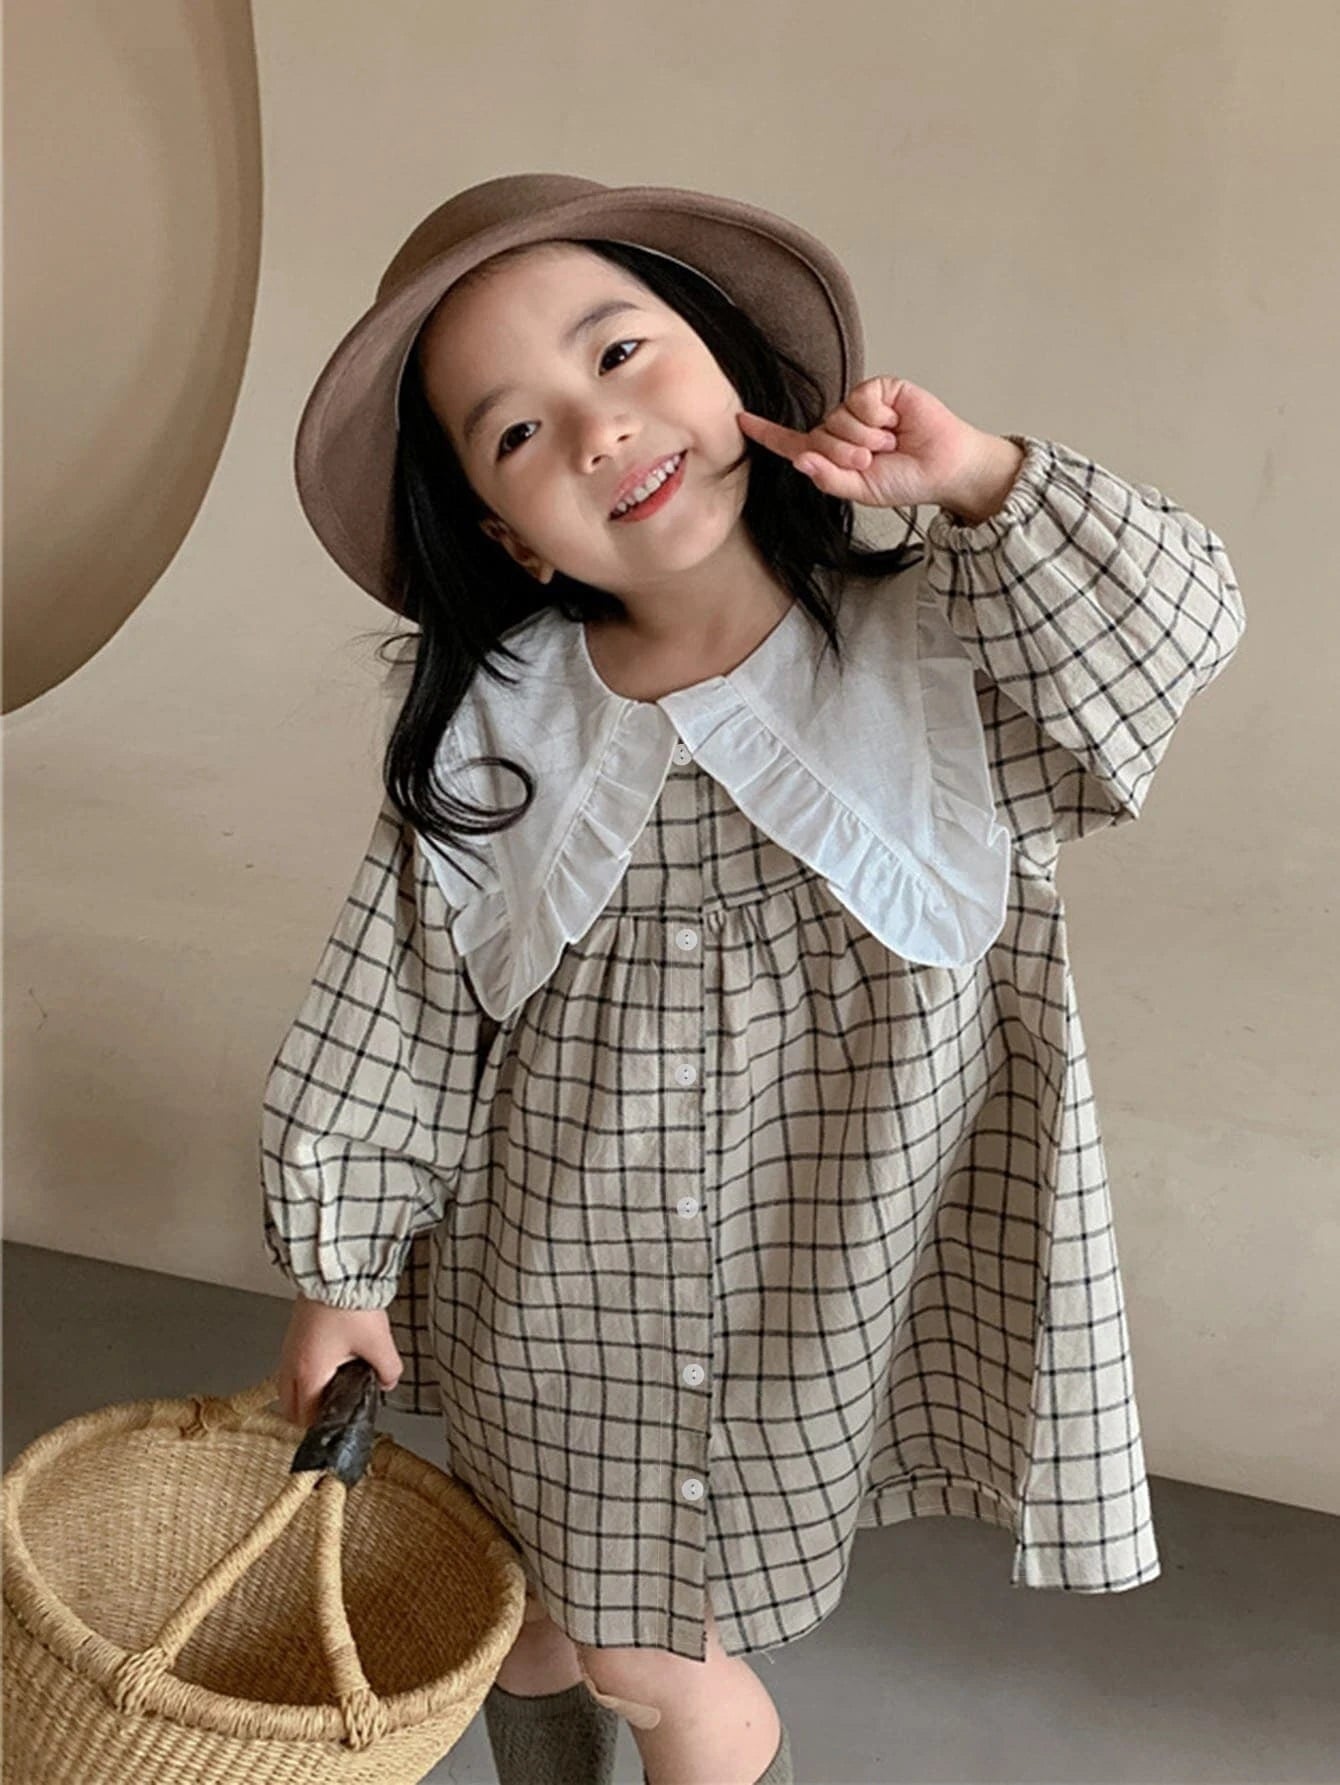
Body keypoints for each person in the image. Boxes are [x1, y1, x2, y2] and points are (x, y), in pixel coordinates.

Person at [260, 173, 1246, 1785]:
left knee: (626, 1648)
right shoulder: (504, 727)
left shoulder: (944, 646)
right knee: (553, 1619)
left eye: (622, 352)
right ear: (506, 535)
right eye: (518, 432)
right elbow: (398, 1012)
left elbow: (1178, 622)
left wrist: (977, 477)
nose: (598, 429)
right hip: (555, 1290)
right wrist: (339, 1263)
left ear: (729, 363)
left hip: (819, 1287)